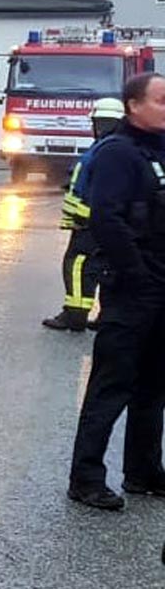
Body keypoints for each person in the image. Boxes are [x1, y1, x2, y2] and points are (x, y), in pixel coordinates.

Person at [67, 73, 165, 511]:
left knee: (154, 386)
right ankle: (86, 478)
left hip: (162, 286)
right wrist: (138, 274)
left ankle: (143, 472)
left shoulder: (158, 151)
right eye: (161, 100)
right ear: (133, 106)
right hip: (133, 288)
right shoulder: (118, 154)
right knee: (112, 385)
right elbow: (107, 217)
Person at [43, 98, 124, 331]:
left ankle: (74, 315)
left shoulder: (103, 149)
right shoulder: (119, 148)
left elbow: (94, 189)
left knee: (78, 265)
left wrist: (81, 218)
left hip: (90, 224)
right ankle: (107, 316)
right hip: (109, 223)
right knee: (111, 268)